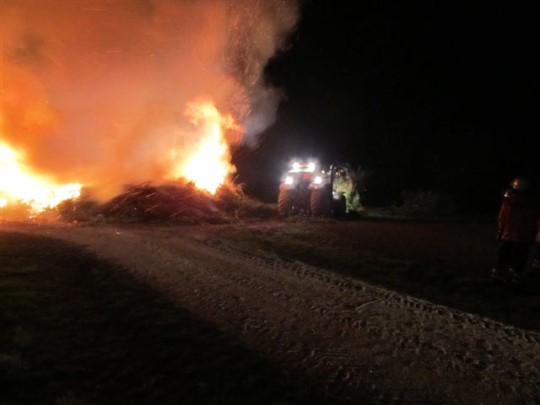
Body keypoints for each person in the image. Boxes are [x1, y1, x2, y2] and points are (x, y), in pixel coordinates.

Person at [491, 177, 540, 284]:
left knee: (502, 255)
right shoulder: (533, 202)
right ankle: (516, 278)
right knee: (520, 257)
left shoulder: (508, 200)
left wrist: (500, 231)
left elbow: (502, 217)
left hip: (508, 234)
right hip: (524, 236)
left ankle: (498, 277)